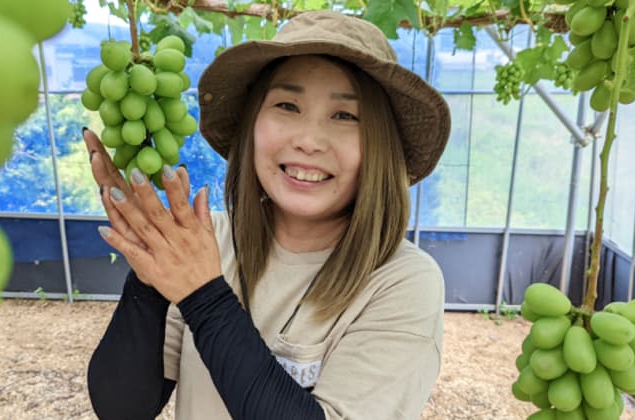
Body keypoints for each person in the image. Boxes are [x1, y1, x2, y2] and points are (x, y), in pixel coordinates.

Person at [84, 10, 451, 420]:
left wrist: (204, 298)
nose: (308, 140)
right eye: (287, 105)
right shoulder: (206, 242)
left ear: (380, 147)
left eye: (345, 115)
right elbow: (121, 408)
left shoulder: (401, 282)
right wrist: (150, 278)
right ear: (252, 126)